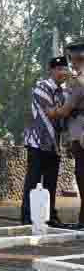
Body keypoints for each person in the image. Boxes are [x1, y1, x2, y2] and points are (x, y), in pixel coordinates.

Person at [20, 58, 67, 225]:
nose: (63, 72)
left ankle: (49, 216)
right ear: (51, 71)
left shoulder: (63, 92)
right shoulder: (41, 88)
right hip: (37, 142)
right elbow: (52, 112)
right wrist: (69, 107)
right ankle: (27, 216)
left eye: (65, 69)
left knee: (51, 182)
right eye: (60, 69)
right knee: (32, 181)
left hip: (54, 143)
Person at [50, 44, 84, 226]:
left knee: (82, 174)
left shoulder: (79, 81)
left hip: (80, 132)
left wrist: (52, 112)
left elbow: (66, 110)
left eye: (72, 60)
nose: (71, 64)